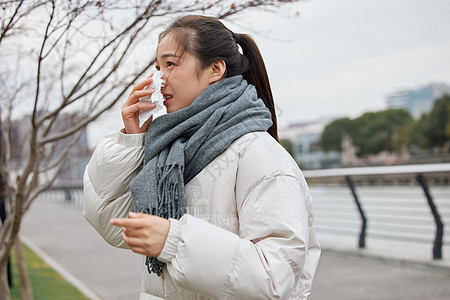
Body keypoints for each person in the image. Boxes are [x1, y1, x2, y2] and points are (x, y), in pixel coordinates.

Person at [83, 15, 320, 300]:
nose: (158, 79)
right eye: (157, 67)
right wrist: (130, 140)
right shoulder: (171, 151)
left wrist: (175, 240)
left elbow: (275, 278)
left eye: (170, 64)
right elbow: (111, 224)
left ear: (215, 69)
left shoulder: (261, 156)